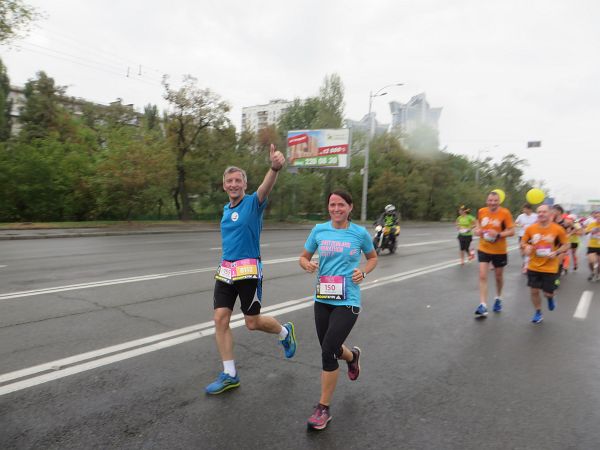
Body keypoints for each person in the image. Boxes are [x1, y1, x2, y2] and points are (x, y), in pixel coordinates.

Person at [205, 144, 297, 395]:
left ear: (245, 185)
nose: (234, 184)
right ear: (224, 185)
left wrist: (274, 169)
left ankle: (284, 332)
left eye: (238, 180)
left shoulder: (253, 203)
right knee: (220, 319)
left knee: (252, 323)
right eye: (229, 181)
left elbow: (265, 187)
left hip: (249, 272)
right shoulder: (226, 210)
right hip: (226, 271)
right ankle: (230, 374)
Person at [299, 190, 378, 430]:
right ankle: (352, 357)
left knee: (328, 351)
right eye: (332, 204)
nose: (336, 209)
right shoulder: (319, 230)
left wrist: (363, 272)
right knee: (330, 347)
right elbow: (303, 257)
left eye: (341, 204)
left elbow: (373, 258)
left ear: (350, 207)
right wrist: (307, 264)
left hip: (348, 300)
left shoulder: (359, 233)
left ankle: (323, 408)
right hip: (323, 297)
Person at [521, 204, 570, 323]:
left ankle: (550, 298)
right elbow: (523, 243)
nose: (541, 214)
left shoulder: (557, 229)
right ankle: (538, 312)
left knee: (548, 293)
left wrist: (556, 252)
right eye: (539, 212)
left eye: (544, 212)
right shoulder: (531, 229)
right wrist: (526, 247)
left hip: (550, 267)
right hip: (533, 265)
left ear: (550, 214)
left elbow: (566, 245)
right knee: (534, 291)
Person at [473, 191, 515, 318]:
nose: (493, 203)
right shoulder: (481, 211)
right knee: (482, 275)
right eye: (490, 200)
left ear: (499, 201)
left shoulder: (505, 213)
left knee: (498, 276)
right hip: (484, 247)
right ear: (487, 201)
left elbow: (512, 231)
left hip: (499, 250)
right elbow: (477, 223)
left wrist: (498, 234)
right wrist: (477, 230)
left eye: (495, 200)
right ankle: (483, 305)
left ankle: (498, 298)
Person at [515, 203, 538, 274]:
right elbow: (515, 223)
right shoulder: (521, 216)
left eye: (525, 209)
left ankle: (526, 264)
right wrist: (520, 225)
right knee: (522, 252)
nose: (524, 210)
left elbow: (539, 223)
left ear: (530, 209)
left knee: (529, 250)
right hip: (522, 235)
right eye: (523, 209)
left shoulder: (535, 216)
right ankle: (525, 261)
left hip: (531, 236)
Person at [585, 210, 600, 281]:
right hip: (592, 245)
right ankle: (592, 272)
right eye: (597, 216)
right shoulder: (592, 224)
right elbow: (585, 232)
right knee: (591, 262)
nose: (598, 218)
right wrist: (590, 231)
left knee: (599, 263)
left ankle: (598, 274)